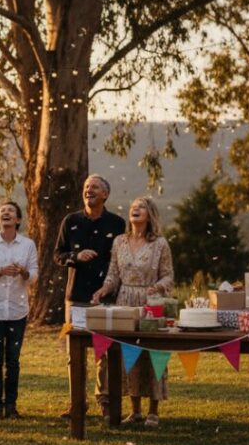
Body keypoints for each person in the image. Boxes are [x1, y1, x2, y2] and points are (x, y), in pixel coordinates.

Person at [92, 196, 174, 428]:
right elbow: (113, 274)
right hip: (125, 302)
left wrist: (158, 286)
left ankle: (153, 412)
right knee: (130, 355)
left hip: (150, 304)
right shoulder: (119, 241)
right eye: (133, 207)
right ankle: (135, 410)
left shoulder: (160, 244)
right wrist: (104, 289)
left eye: (141, 207)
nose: (135, 209)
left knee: (153, 354)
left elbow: (168, 275)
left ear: (150, 214)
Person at [53, 174, 126, 418]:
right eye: (86, 187)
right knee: (74, 353)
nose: (88, 190)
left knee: (105, 351)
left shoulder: (117, 224)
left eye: (94, 187)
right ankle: (77, 402)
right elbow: (58, 255)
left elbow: (120, 259)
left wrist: (110, 287)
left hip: (106, 296)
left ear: (105, 194)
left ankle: (105, 400)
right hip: (76, 296)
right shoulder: (70, 221)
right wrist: (76, 257)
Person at [0, 201, 38, 420]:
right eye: (2, 211)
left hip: (17, 310)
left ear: (18, 219)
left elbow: (34, 276)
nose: (6, 213)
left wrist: (23, 272)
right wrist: (0, 271)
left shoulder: (28, 245)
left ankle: (11, 406)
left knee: (13, 360)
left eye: (10, 211)